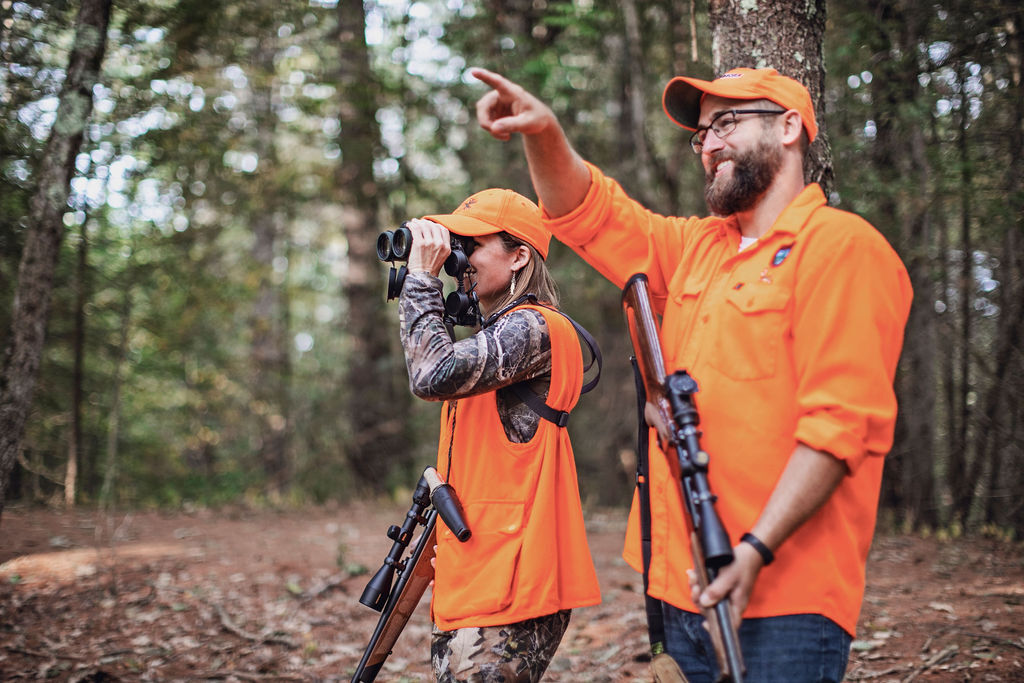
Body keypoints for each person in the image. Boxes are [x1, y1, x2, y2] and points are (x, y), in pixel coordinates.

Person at [469, 65, 913, 682]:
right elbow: (587, 213)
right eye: (701, 134)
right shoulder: (694, 249)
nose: (709, 144)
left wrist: (754, 551)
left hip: (785, 599)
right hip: (676, 584)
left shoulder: (844, 249)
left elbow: (840, 431)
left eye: (727, 122)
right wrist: (543, 133)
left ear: (789, 127)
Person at [397, 188, 601, 682]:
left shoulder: (534, 328)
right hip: (479, 566)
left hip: (513, 577)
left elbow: (432, 374)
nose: (459, 258)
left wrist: (422, 280)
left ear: (519, 257)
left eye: (472, 245)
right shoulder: (502, 335)